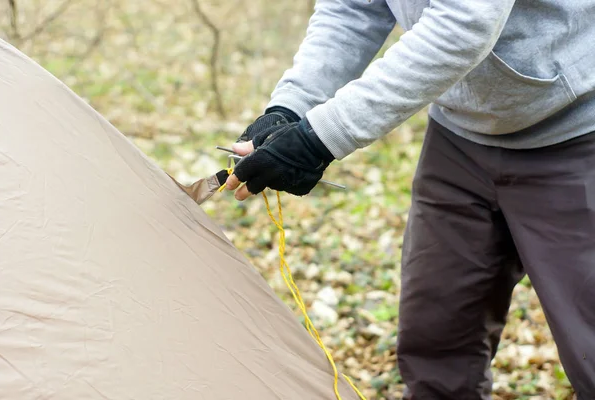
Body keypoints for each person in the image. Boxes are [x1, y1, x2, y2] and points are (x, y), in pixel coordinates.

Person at [223, 1, 595, 398]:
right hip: (459, 139)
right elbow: (353, 9)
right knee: (437, 338)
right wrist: (290, 107)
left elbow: (464, 24)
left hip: (576, 128)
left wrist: (319, 138)